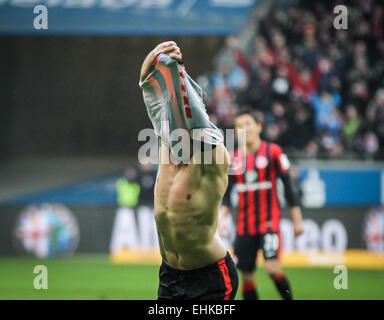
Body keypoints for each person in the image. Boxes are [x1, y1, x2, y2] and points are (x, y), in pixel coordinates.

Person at [139, 41, 238, 300]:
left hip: (210, 278)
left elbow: (197, 119)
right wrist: (155, 58)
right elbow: (154, 100)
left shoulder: (213, 161)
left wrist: (179, 75)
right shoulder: (165, 150)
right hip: (170, 277)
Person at [218, 108, 303, 300]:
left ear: (258, 126)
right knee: (246, 277)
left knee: (272, 268)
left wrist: (297, 218)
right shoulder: (233, 159)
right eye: (239, 126)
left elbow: (289, 187)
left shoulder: (273, 152)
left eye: (247, 124)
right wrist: (222, 218)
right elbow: (227, 192)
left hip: (268, 224)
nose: (243, 129)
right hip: (244, 226)